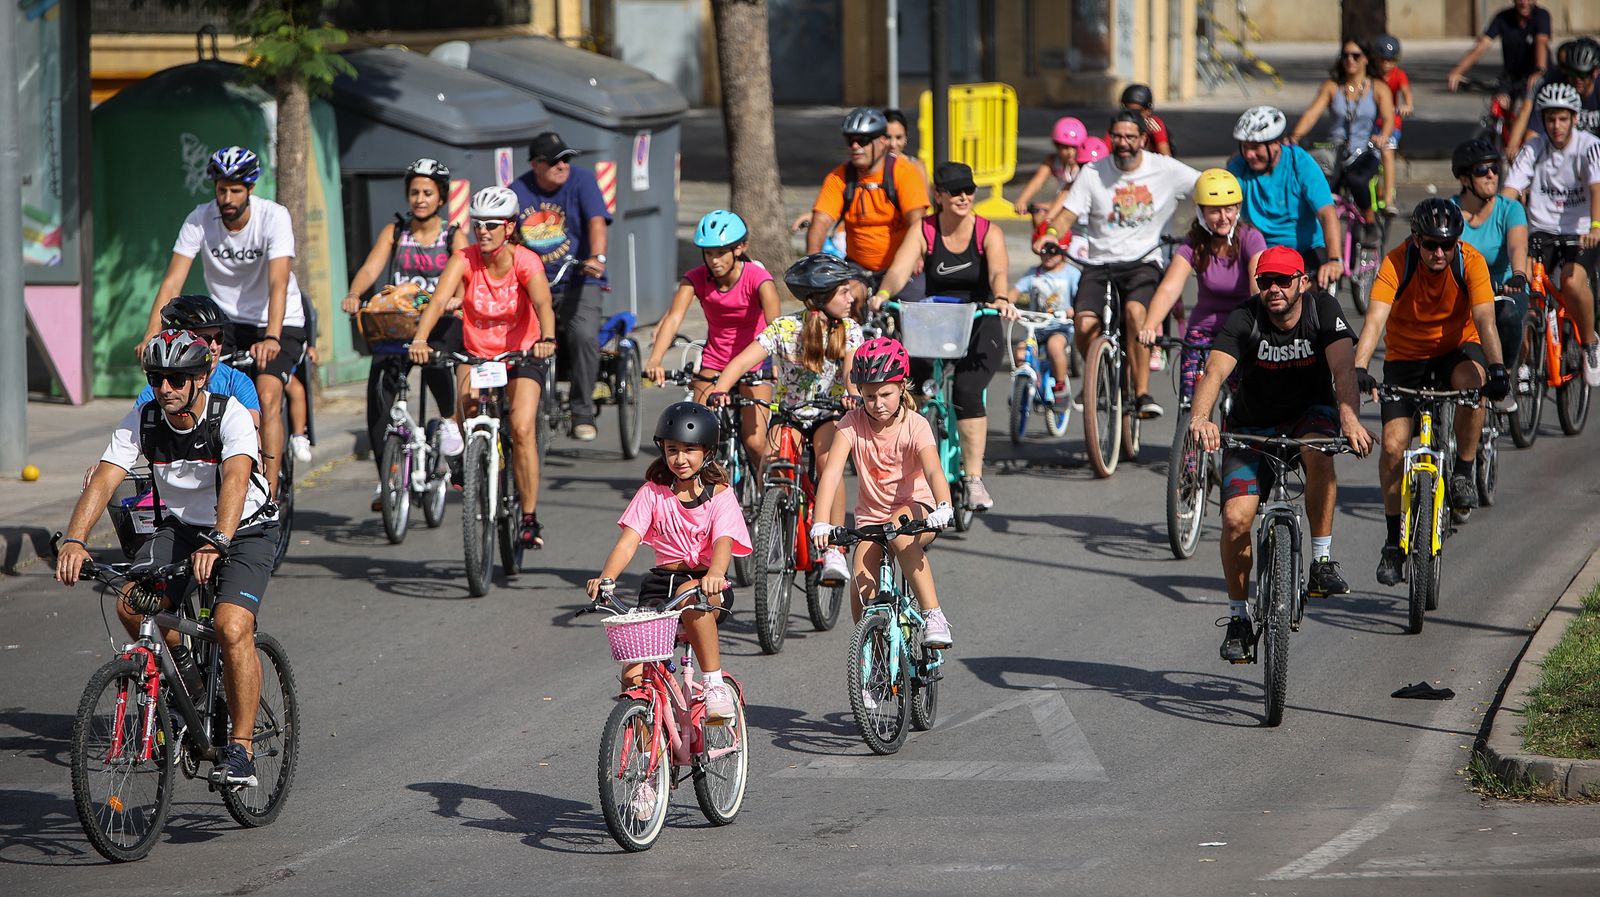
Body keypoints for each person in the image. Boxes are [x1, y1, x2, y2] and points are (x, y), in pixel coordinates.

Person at [58, 330, 280, 788]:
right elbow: (104, 479)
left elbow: (237, 480)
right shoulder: (143, 419)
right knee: (131, 604)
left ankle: (241, 749)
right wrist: (75, 540)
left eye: (177, 379)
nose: (166, 388)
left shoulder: (229, 416)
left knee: (231, 625)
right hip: (183, 528)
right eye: (157, 378)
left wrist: (219, 537)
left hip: (245, 527)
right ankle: (190, 687)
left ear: (202, 376)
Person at [1188, 247, 1372, 662]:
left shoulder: (1322, 310)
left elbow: (1343, 370)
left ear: (1302, 282)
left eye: (1283, 281)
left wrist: (1350, 420)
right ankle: (1238, 619)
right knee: (1236, 519)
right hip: (1252, 427)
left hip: (1311, 415)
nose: (1273, 289)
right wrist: (1202, 418)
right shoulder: (1245, 317)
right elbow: (1214, 372)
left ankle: (1322, 561)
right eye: (1265, 281)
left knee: (1319, 451)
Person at [1352, 199, 1509, 587]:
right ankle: (1393, 543)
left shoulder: (1470, 261)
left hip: (1456, 350)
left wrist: (1498, 368)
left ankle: (1463, 471)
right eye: (1431, 245)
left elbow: (1486, 319)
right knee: (1392, 447)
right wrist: (1360, 368)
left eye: (1447, 245)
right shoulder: (1395, 263)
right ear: (1415, 240)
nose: (1439, 253)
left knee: (1473, 386)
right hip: (1406, 357)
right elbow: (1374, 319)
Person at [143, 145, 305, 503]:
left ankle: (270, 494)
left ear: (249, 189)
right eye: (221, 190)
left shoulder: (273, 217)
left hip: (278, 320)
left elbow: (278, 282)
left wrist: (273, 336)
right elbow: (173, 282)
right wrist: (151, 335)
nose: (227, 198)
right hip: (226, 322)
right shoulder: (199, 218)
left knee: (266, 391)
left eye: (235, 190)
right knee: (200, 384)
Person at [409, 186, 557, 547]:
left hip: (523, 354)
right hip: (478, 354)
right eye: (478, 225)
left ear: (509, 228)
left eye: (492, 225)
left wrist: (547, 339)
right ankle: (472, 464)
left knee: (521, 428)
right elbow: (439, 299)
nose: (484, 232)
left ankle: (529, 518)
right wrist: (420, 339)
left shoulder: (525, 261)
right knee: (463, 414)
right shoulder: (464, 259)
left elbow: (543, 303)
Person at [587, 402, 752, 725]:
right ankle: (647, 755)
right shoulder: (653, 493)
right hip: (662, 584)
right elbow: (629, 541)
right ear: (661, 449)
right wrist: (606, 578)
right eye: (672, 449)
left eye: (690, 450)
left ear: (707, 451)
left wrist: (716, 574)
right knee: (634, 672)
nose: (680, 459)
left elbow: (723, 542)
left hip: (707, 585)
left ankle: (714, 683)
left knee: (694, 593)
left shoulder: (720, 495)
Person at [708, 253, 866, 585]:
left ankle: (835, 547)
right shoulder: (784, 328)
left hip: (828, 413)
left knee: (828, 463)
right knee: (774, 463)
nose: (851, 298)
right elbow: (741, 361)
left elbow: (851, 371)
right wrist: (721, 388)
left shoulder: (849, 330)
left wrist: (852, 391)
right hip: (790, 415)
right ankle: (777, 527)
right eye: (843, 292)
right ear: (821, 299)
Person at [1041, 111, 1202, 419]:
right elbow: (1066, 215)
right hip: (1099, 263)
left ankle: (1141, 393)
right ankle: (1098, 374)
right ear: (1110, 138)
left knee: (1135, 313)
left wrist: (1202, 226)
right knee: (1084, 325)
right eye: (1118, 137)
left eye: (1131, 137)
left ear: (1143, 140)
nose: (1124, 143)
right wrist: (1049, 234)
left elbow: (1204, 187)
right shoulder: (1093, 173)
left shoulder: (1164, 169)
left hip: (1144, 261)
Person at [874, 161, 1015, 511]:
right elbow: (899, 270)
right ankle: (910, 470)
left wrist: (1000, 299)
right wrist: (882, 295)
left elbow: (998, 273)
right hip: (935, 320)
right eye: (955, 191)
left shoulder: (987, 233)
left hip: (981, 318)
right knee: (917, 390)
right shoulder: (925, 231)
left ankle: (974, 478)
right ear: (938, 195)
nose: (964, 196)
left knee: (968, 391)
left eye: (969, 190)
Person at [343, 158, 471, 509]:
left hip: (440, 322)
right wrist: (356, 293)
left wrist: (456, 299)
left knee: (435, 365)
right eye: (414, 192)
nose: (419, 199)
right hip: (399, 323)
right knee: (379, 392)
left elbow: (465, 274)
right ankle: (388, 478)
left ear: (441, 197)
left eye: (428, 193)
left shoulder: (453, 235)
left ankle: (449, 426)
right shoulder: (396, 232)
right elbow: (371, 267)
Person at [810, 337, 955, 645]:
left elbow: (933, 469)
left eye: (886, 394)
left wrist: (944, 506)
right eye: (870, 396)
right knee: (860, 585)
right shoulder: (851, 423)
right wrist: (820, 521)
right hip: (872, 518)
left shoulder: (916, 425)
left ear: (902, 387)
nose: (877, 404)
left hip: (917, 508)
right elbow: (832, 472)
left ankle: (933, 615)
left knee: (900, 533)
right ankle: (872, 660)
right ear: (859, 393)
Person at [644, 209, 781, 464]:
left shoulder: (758, 279)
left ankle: (767, 497)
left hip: (755, 363)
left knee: (755, 443)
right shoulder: (695, 279)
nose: (714, 260)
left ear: (740, 248)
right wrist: (655, 359)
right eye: (709, 253)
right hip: (714, 362)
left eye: (720, 253)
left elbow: (776, 327)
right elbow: (674, 318)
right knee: (696, 438)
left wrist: (779, 365)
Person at [510, 131, 611, 442]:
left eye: (566, 158)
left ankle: (582, 410)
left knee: (582, 335)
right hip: (531, 283)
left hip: (579, 277)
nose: (563, 165)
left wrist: (596, 257)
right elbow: (509, 235)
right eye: (555, 161)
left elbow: (596, 221)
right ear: (536, 164)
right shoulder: (518, 191)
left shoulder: (582, 182)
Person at [1137, 168, 1267, 405]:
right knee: (1191, 400)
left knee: (1245, 403)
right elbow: (1169, 288)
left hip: (1242, 330)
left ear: (1238, 209)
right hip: (1203, 331)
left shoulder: (1251, 238)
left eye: (1229, 209)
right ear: (1200, 211)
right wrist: (1149, 324)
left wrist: (1261, 328)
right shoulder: (1194, 243)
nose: (1223, 217)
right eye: (1215, 211)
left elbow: (1258, 287)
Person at [1501, 82, 1600, 388]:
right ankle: (1527, 360)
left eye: (1562, 119)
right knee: (1522, 287)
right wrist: (1498, 218)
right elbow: (1510, 190)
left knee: (1571, 282)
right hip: (1540, 230)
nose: (1556, 126)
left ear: (1574, 118)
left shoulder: (1588, 146)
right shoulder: (1535, 147)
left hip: (1581, 231)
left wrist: (1595, 227)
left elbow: (1597, 188)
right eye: (1550, 119)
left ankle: (1589, 343)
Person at [802, 108, 931, 289]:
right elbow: (820, 221)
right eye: (850, 140)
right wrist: (812, 262)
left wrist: (916, 255)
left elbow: (917, 221)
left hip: (902, 266)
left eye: (863, 141)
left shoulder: (905, 172)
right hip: (858, 267)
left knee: (914, 310)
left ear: (882, 141)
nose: (855, 146)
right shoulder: (839, 177)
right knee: (846, 301)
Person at [1288, 38, 1395, 246]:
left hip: (1364, 150)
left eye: (1356, 56)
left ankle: (1370, 222)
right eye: (1345, 55)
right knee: (1322, 190)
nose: (1350, 60)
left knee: (1358, 180)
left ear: (1366, 59)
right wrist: (1295, 137)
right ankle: (1319, 236)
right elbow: (1312, 114)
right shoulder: (1332, 87)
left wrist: (1384, 134)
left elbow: (1389, 118)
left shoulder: (1378, 87)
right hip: (1335, 150)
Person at [1451, 138, 1531, 411]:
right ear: (1464, 179)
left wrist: (1518, 275)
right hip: (1464, 291)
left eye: (1495, 168)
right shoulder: (1450, 212)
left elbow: (1517, 244)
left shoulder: (1510, 209)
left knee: (1508, 315)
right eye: (1482, 170)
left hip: (1504, 288)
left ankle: (1504, 377)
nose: (1491, 175)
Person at [1228, 106, 1345, 288]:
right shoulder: (1238, 166)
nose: (1249, 155)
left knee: (1304, 295)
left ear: (1277, 143)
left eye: (1256, 147)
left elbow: (1327, 213)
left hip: (1305, 249)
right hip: (1260, 251)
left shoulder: (1300, 163)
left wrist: (1335, 259)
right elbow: (1223, 206)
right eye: (1245, 147)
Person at [137, 294, 260, 426]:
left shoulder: (237, 382)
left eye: (219, 337)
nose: (214, 347)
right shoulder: (160, 387)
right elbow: (136, 428)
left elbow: (252, 434)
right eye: (205, 339)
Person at [1447, 0, 1552, 120]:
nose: (1524, 2)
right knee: (1499, 106)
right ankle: (1497, 135)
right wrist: (1458, 71)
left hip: (1534, 77)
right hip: (1511, 77)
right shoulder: (1503, 17)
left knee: (1524, 112)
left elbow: (1541, 42)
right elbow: (1482, 45)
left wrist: (1539, 70)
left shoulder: (1541, 16)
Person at [1008, 242, 1081, 403]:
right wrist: (1006, 304)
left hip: (1060, 326)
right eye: (1043, 252)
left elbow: (1080, 299)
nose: (1047, 256)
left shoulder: (1072, 273)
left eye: (1053, 253)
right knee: (1021, 352)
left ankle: (1060, 388)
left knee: (1054, 347)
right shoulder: (1033, 274)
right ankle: (1024, 387)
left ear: (1063, 253)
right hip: (1036, 327)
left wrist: (1072, 310)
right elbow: (1015, 292)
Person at [1509, 37, 1600, 151]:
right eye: (1572, 72)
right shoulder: (1553, 89)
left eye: (1583, 74)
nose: (1577, 79)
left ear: (1596, 72)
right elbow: (1532, 134)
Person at [1013, 116, 1088, 221]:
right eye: (1065, 147)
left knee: (1046, 217)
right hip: (1064, 202)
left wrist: (1049, 217)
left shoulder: (1084, 166)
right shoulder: (1053, 161)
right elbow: (1037, 181)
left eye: (1075, 147)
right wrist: (1022, 200)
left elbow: (1067, 193)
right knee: (1037, 212)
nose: (1070, 152)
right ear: (1057, 146)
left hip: (1082, 207)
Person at [1375, 34, 1413, 213]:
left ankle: (1389, 199)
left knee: (1387, 153)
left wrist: (1407, 105)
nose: (1386, 65)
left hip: (1392, 123)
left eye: (1391, 60)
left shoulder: (1399, 75)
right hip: (1371, 123)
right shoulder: (1372, 75)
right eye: (1383, 60)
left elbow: (1406, 92)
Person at [883, 108, 933, 195]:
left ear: (906, 137)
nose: (893, 144)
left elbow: (924, 203)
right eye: (887, 137)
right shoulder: (872, 167)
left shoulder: (916, 166)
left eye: (898, 137)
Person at [1120, 83, 1173, 155]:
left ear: (1148, 111)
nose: (1134, 116)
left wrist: (1155, 134)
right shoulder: (1119, 125)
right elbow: (1104, 149)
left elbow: (1166, 157)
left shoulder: (1155, 126)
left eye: (1138, 112)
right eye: (1130, 111)